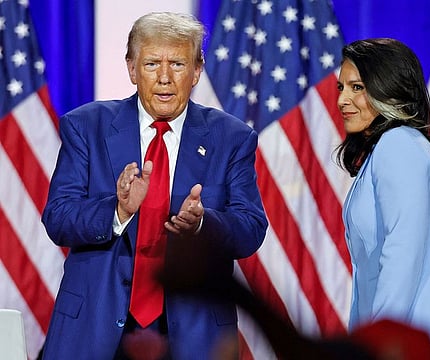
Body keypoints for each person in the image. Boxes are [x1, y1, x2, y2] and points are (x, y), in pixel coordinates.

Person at [41, 12, 268, 360]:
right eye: (151, 63)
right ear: (132, 69)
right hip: (94, 331)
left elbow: (251, 229)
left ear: (197, 71)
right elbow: (58, 217)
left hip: (194, 334)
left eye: (177, 63)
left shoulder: (232, 138)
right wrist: (117, 210)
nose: (164, 78)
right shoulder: (86, 126)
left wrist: (204, 223)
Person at [335, 38, 430, 355]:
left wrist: (378, 343)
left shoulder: (399, 144)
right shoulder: (384, 150)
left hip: (424, 340)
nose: (343, 99)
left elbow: (402, 254)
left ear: (387, 89)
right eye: (341, 87)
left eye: (356, 87)